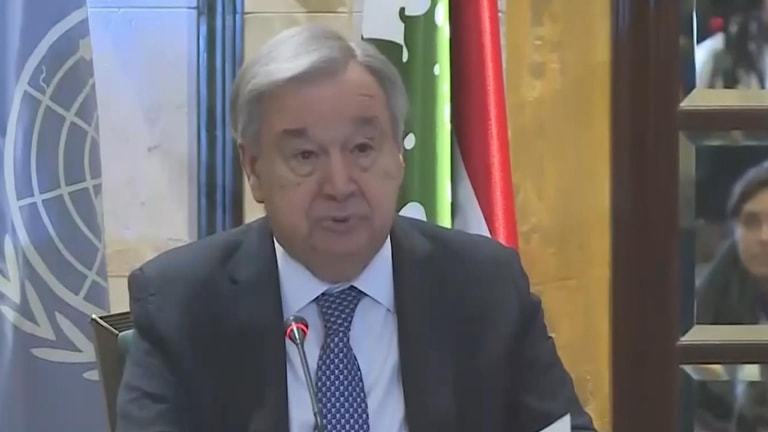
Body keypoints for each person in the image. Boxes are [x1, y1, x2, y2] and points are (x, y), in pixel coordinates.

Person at [115, 24, 596, 432]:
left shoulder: (485, 286)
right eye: (306, 156)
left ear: (399, 155)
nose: (340, 185)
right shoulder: (182, 305)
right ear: (254, 168)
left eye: (363, 149)